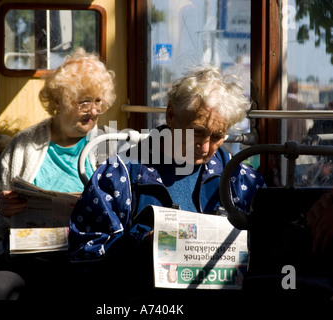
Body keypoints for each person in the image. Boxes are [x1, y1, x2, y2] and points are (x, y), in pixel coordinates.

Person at [68, 66, 266, 298]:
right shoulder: (119, 174)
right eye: (196, 132)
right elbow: (85, 253)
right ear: (170, 114)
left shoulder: (238, 178)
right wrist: (141, 245)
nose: (205, 146)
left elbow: (267, 249)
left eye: (217, 137)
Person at [0, 47, 116, 299]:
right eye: (85, 102)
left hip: (81, 256)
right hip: (24, 258)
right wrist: (1, 208)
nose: (94, 111)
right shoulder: (25, 144)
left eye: (99, 102)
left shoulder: (106, 146)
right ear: (60, 101)